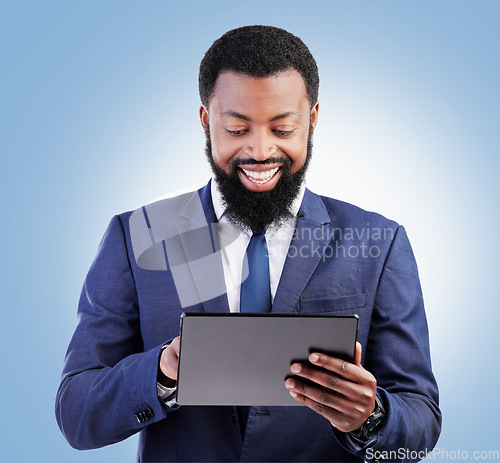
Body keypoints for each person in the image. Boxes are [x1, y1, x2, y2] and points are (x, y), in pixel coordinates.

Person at [56, 25, 441, 462]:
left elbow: (420, 423)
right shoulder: (138, 234)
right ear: (206, 120)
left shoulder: (379, 241)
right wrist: (162, 374)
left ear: (312, 119)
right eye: (237, 129)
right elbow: (76, 413)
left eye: (283, 128)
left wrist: (370, 416)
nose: (260, 151)